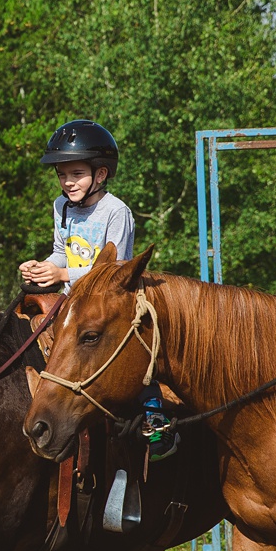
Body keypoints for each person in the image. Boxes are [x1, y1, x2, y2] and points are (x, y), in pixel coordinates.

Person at [17, 120, 169, 442]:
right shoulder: (62, 207)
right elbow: (63, 251)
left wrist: (63, 275)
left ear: (100, 174)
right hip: (73, 301)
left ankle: (156, 414)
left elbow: (116, 271)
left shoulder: (116, 213)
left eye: (76, 174)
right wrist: (44, 267)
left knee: (128, 343)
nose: (68, 182)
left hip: (109, 302)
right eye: (62, 175)